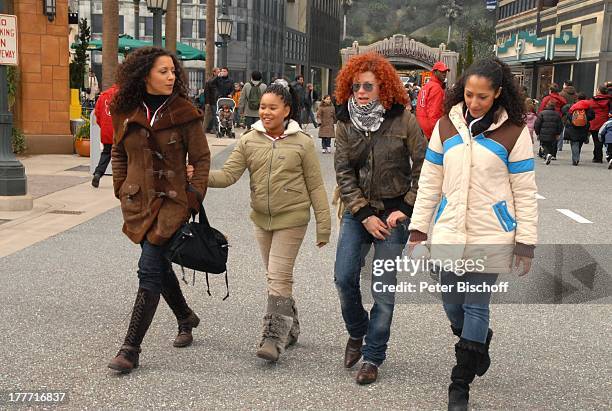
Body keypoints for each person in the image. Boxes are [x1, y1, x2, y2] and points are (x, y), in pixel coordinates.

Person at [408, 58, 537, 411]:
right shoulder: (445, 127)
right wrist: (418, 231)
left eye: (483, 96)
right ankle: (478, 342)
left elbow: (524, 191)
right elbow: (430, 182)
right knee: (452, 303)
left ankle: (459, 384)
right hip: (450, 229)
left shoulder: (514, 131)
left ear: (498, 94)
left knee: (476, 306)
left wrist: (525, 243)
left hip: (492, 233)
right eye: (469, 95)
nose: (475, 102)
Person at [207, 83, 331, 363]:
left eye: (272, 107)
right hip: (261, 220)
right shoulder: (250, 139)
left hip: (293, 219)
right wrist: (197, 175)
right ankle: (292, 325)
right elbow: (228, 175)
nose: (265, 112)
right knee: (276, 278)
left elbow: (316, 186)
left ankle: (273, 338)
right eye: (263, 107)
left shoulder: (302, 143)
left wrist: (324, 225)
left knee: (278, 277)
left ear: (287, 110)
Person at [107, 47, 211, 373]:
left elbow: (202, 159)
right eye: (163, 71)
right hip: (137, 202)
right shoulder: (124, 110)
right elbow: (119, 152)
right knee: (160, 266)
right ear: (145, 75)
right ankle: (185, 317)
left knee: (149, 268)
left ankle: (130, 349)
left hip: (173, 203)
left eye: (173, 71)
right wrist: (120, 187)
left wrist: (194, 196)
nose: (171, 77)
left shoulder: (184, 112)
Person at [333, 52, 427, 385]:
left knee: (383, 290)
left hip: (395, 213)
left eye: (368, 86)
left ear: (383, 88)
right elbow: (343, 172)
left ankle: (373, 357)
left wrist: (407, 206)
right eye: (356, 86)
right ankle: (357, 331)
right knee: (344, 278)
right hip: (358, 212)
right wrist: (364, 214)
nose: (360, 92)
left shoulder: (405, 121)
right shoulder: (344, 121)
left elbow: (425, 167)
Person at [91, 84, 118, 188]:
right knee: (122, 156)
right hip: (119, 130)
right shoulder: (123, 94)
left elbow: (97, 113)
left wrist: (102, 125)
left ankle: (98, 172)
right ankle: (119, 178)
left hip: (106, 130)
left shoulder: (103, 95)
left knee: (106, 153)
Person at [416, 61, 450, 139]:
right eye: (441, 71)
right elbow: (434, 113)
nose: (444, 73)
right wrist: (437, 135)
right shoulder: (436, 88)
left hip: (420, 127)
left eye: (445, 71)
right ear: (435, 72)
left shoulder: (426, 86)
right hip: (429, 131)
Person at [562, 93, 594, 166]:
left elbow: (565, 111)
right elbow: (592, 116)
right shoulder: (588, 107)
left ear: (577, 98)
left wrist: (571, 120)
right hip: (584, 127)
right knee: (579, 142)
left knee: (574, 143)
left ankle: (575, 159)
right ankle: (576, 157)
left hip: (572, 127)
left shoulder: (572, 106)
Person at [588, 84, 611, 163]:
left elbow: (589, 108)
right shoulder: (609, 100)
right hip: (605, 122)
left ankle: (597, 157)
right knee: (602, 140)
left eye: (597, 90)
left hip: (594, 122)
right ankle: (602, 155)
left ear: (599, 91)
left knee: (596, 140)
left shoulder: (593, 100)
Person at [203, 67, 220, 133]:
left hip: (221, 100)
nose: (219, 74)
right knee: (215, 115)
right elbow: (206, 92)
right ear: (214, 73)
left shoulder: (221, 80)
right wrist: (207, 102)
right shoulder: (210, 81)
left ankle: (213, 128)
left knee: (218, 115)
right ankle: (215, 128)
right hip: (213, 100)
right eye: (218, 72)